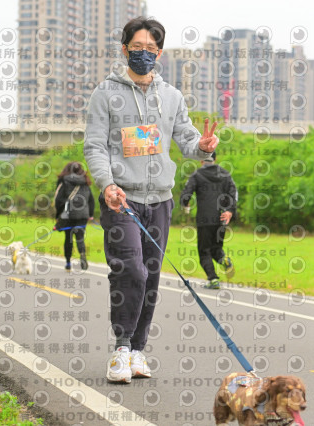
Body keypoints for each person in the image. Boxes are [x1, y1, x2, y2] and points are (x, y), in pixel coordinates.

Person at [84, 16, 218, 384]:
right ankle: (121, 348)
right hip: (121, 199)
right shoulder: (105, 93)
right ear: (124, 49)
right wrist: (107, 184)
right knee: (130, 270)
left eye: (151, 49)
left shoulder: (171, 96)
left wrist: (203, 146)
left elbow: (187, 141)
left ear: (159, 53)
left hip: (160, 201)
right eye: (137, 48)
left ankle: (138, 350)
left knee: (152, 275)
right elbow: (94, 145)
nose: (144, 54)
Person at [180, 151, 236, 289]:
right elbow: (233, 193)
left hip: (205, 219)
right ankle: (224, 260)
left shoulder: (197, 174)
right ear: (215, 159)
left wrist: (185, 203)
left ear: (201, 160)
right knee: (216, 248)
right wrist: (230, 211)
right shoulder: (225, 174)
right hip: (222, 218)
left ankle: (213, 279)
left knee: (204, 250)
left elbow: (187, 192)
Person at [54, 161, 95, 272]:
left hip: (68, 215)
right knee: (80, 237)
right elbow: (91, 200)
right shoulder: (85, 181)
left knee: (68, 238)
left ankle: (68, 263)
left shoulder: (63, 180)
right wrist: (90, 214)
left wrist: (58, 215)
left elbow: (59, 199)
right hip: (83, 214)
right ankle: (82, 254)